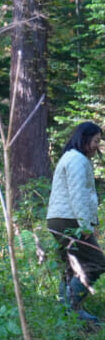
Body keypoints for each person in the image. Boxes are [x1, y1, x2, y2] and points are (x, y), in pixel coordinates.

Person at [46, 122, 104, 324]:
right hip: (69, 220)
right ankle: (71, 310)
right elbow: (77, 195)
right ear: (84, 138)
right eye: (96, 140)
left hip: (58, 219)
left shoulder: (70, 158)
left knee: (72, 266)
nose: (97, 145)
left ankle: (66, 314)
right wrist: (85, 226)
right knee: (96, 262)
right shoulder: (77, 160)